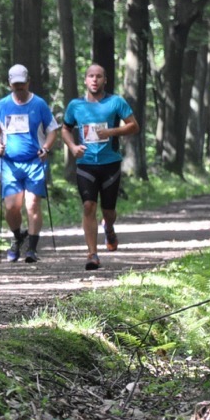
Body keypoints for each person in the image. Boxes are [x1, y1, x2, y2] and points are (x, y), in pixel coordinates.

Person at [60, 64, 139, 271]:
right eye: (91, 76)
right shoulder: (75, 105)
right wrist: (72, 147)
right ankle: (92, 254)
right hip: (85, 163)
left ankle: (109, 227)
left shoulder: (116, 102)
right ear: (85, 80)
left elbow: (134, 126)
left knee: (108, 210)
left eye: (99, 76)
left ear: (105, 80)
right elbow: (65, 129)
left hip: (110, 163)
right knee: (88, 206)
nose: (94, 80)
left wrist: (111, 132)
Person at [0, 64, 57, 263]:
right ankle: (18, 237)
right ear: (9, 84)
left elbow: (52, 130)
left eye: (22, 84)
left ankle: (32, 249)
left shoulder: (39, 104)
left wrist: (46, 148)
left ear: (28, 82)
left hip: (35, 162)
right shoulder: (2, 105)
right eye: (15, 84)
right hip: (10, 164)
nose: (19, 87)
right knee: (11, 207)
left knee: (32, 204)